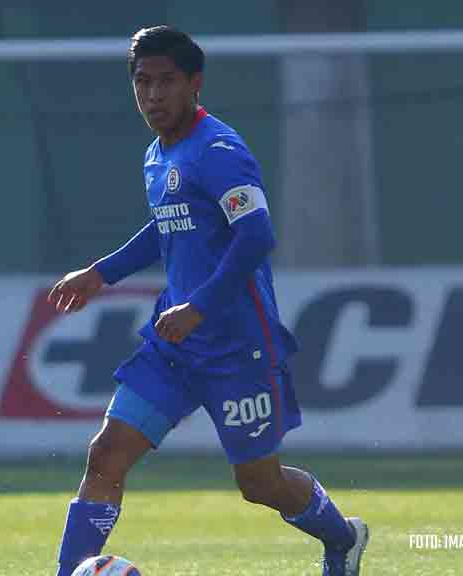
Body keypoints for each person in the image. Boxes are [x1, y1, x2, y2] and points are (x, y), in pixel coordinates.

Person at [47, 26, 368, 575]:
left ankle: (341, 537)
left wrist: (198, 306)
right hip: (174, 346)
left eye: (166, 82)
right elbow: (165, 230)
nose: (152, 95)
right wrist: (100, 274)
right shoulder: (156, 154)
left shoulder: (219, 150)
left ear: (195, 83)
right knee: (105, 456)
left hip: (237, 347)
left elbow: (257, 236)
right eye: (142, 83)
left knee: (259, 483)